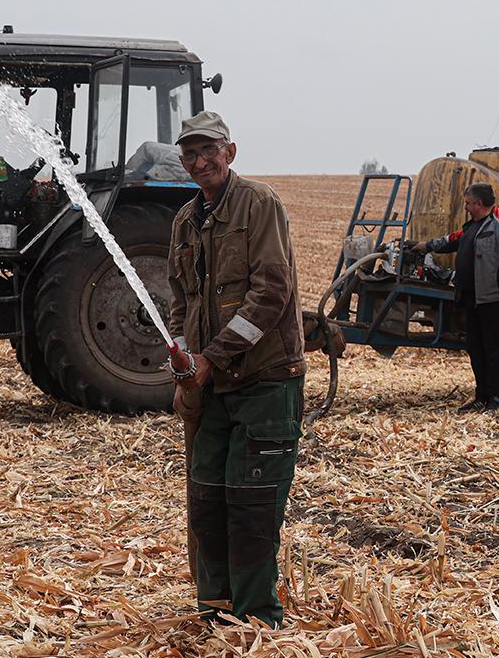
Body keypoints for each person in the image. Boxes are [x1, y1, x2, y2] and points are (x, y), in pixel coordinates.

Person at [166, 110, 306, 627]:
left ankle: (256, 621)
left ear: (231, 152)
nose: (200, 161)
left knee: (250, 506)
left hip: (266, 382)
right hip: (212, 385)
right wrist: (182, 358)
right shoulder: (185, 221)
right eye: (190, 153)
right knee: (206, 500)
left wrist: (211, 358)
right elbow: (180, 300)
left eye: (209, 150)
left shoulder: (259, 204)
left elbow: (272, 293)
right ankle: (216, 614)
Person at [413, 182, 499, 412]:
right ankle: (481, 397)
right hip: (472, 298)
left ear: (478, 203)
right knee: (476, 349)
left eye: (468, 203)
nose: (465, 207)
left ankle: (496, 399)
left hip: (495, 299)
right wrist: (427, 246)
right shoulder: (473, 226)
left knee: (495, 350)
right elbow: (452, 240)